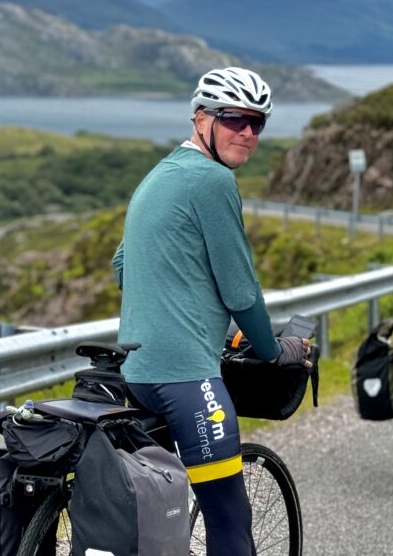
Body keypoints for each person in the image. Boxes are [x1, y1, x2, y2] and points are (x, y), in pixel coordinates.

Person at [111, 67, 313, 556]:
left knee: (155, 512)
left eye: (257, 123)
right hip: (185, 379)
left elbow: (123, 263)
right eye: (234, 119)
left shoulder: (161, 173)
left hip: (135, 371)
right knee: (229, 521)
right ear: (202, 118)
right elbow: (241, 289)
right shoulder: (212, 180)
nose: (247, 133)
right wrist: (272, 350)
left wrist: (175, 311)